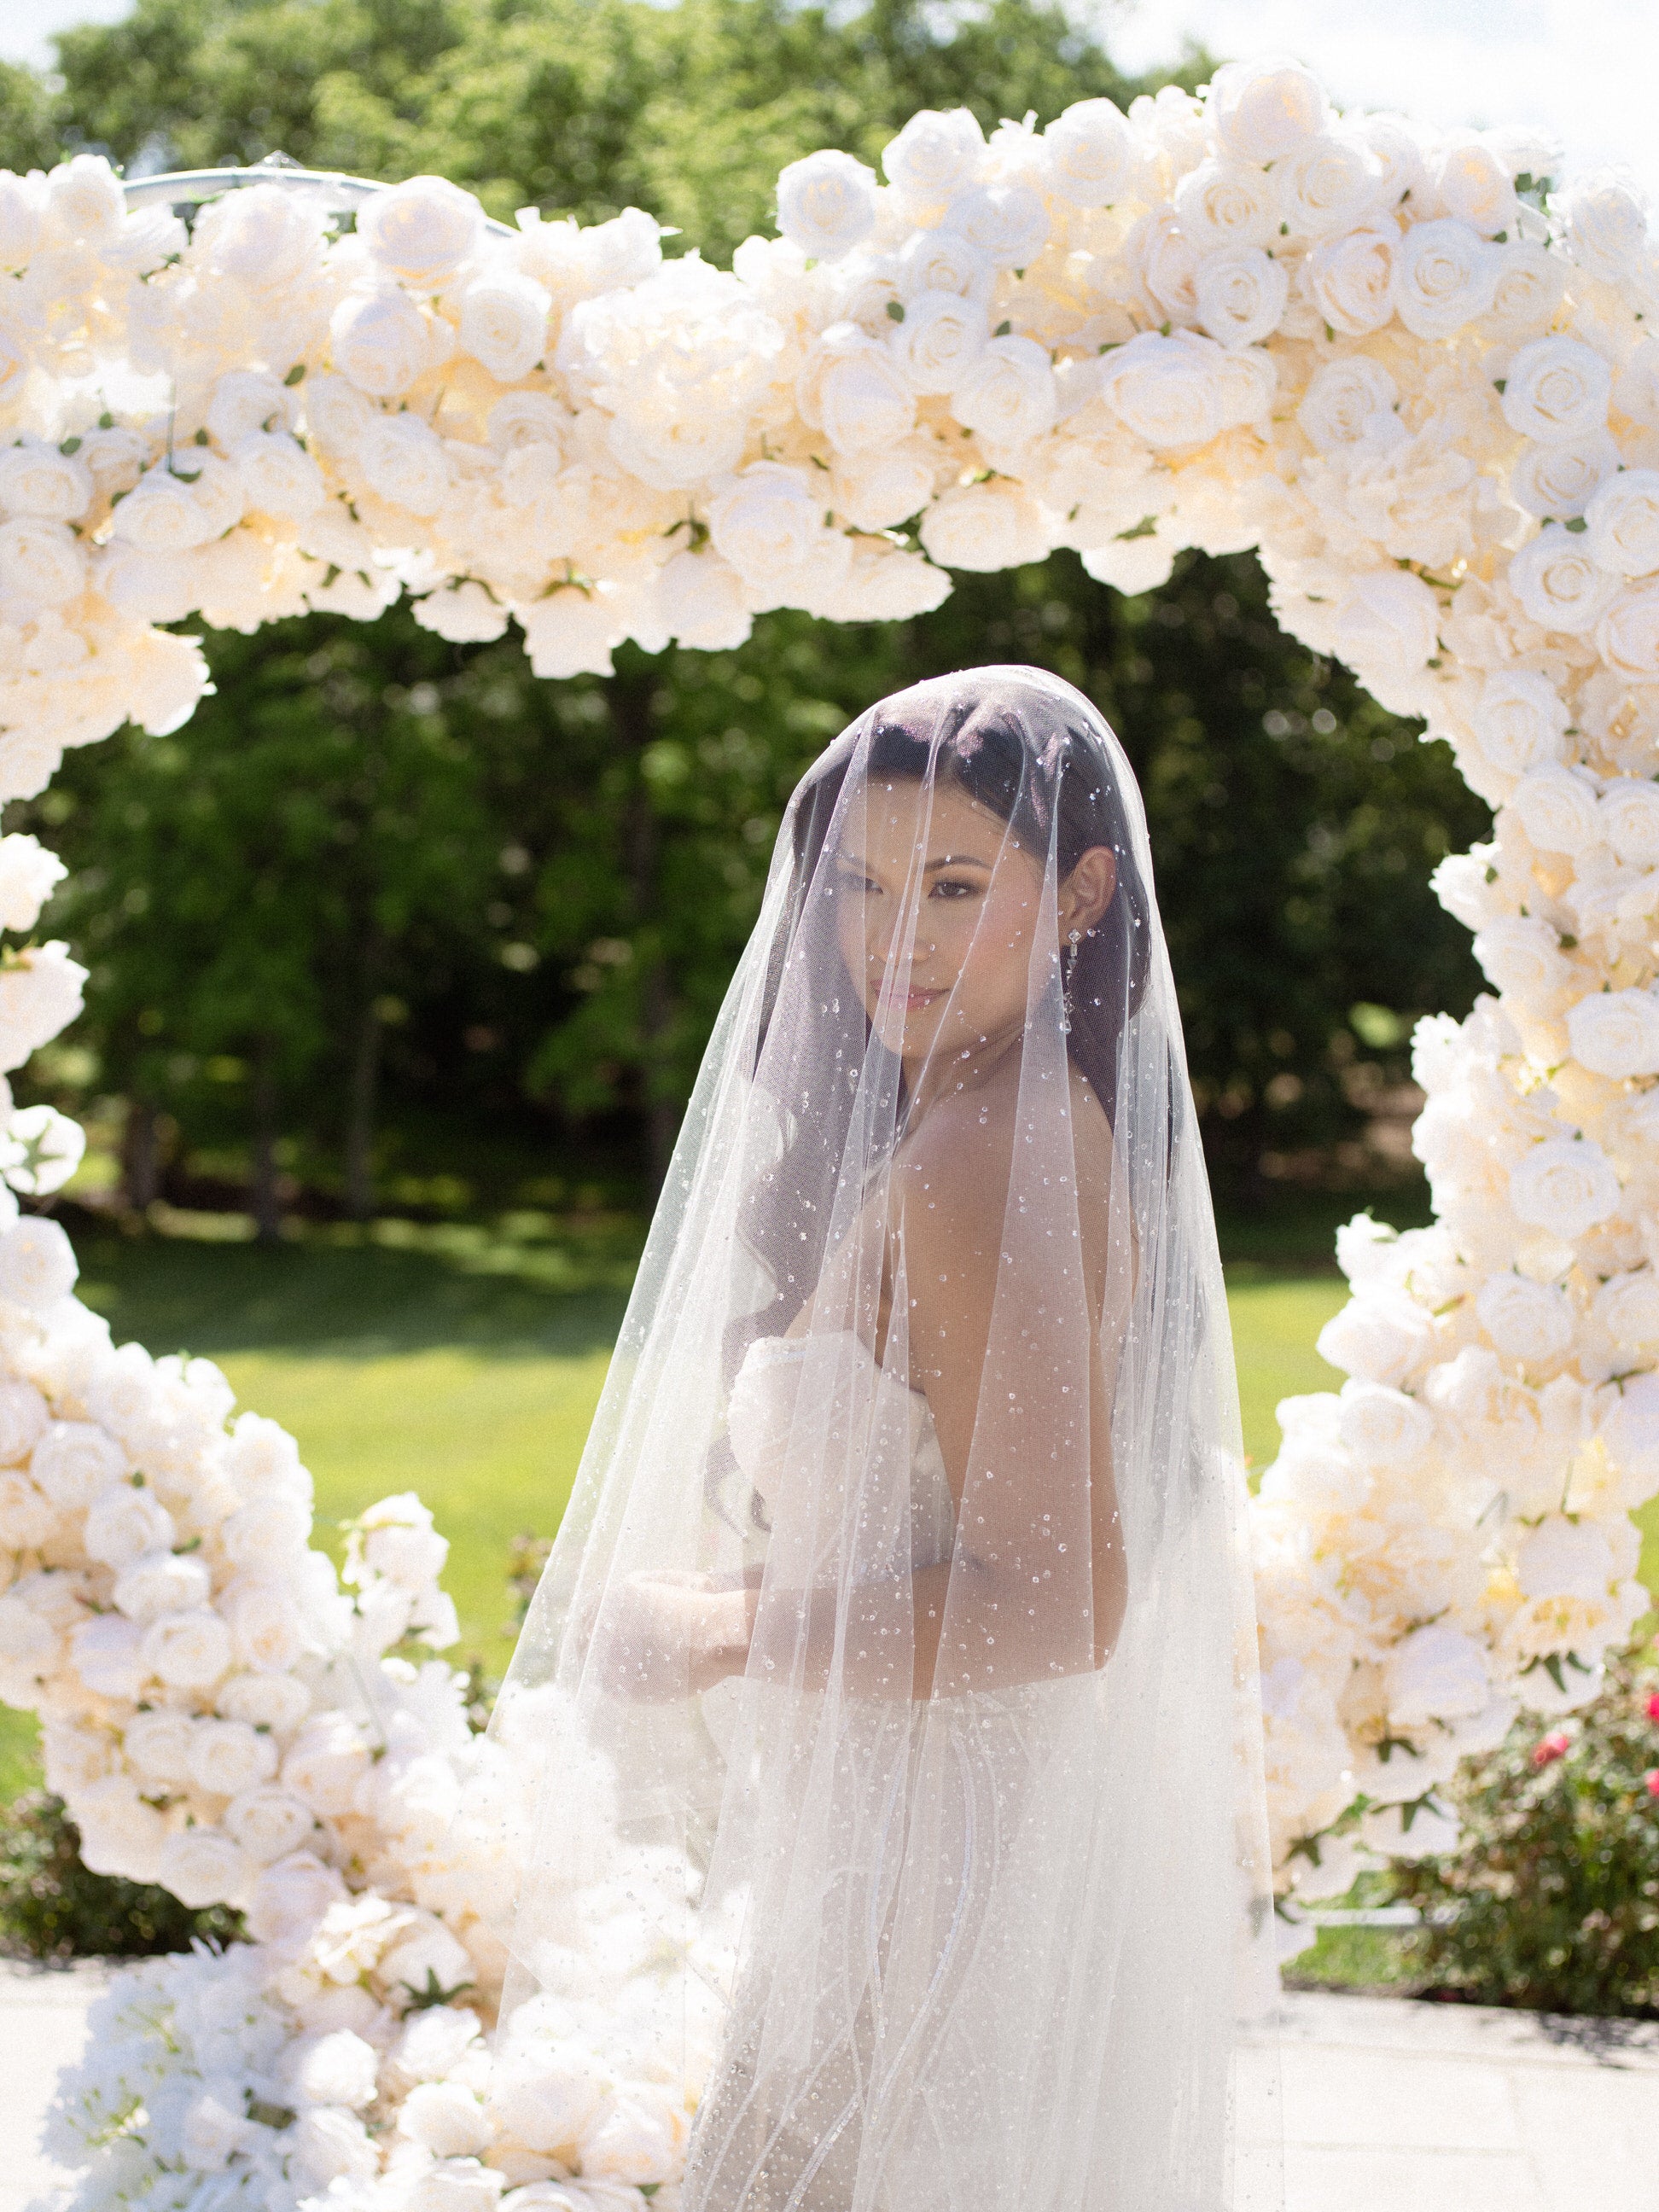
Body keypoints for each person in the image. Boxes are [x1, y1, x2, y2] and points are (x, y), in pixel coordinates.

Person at [491, 667, 1281, 2212]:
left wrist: (716, 1630)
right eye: (858, 882)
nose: (893, 935)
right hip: (898, 1831)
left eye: (955, 884)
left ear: (1083, 897)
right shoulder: (984, 1118)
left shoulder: (988, 1155)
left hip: (938, 1875)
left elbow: (1059, 1601)